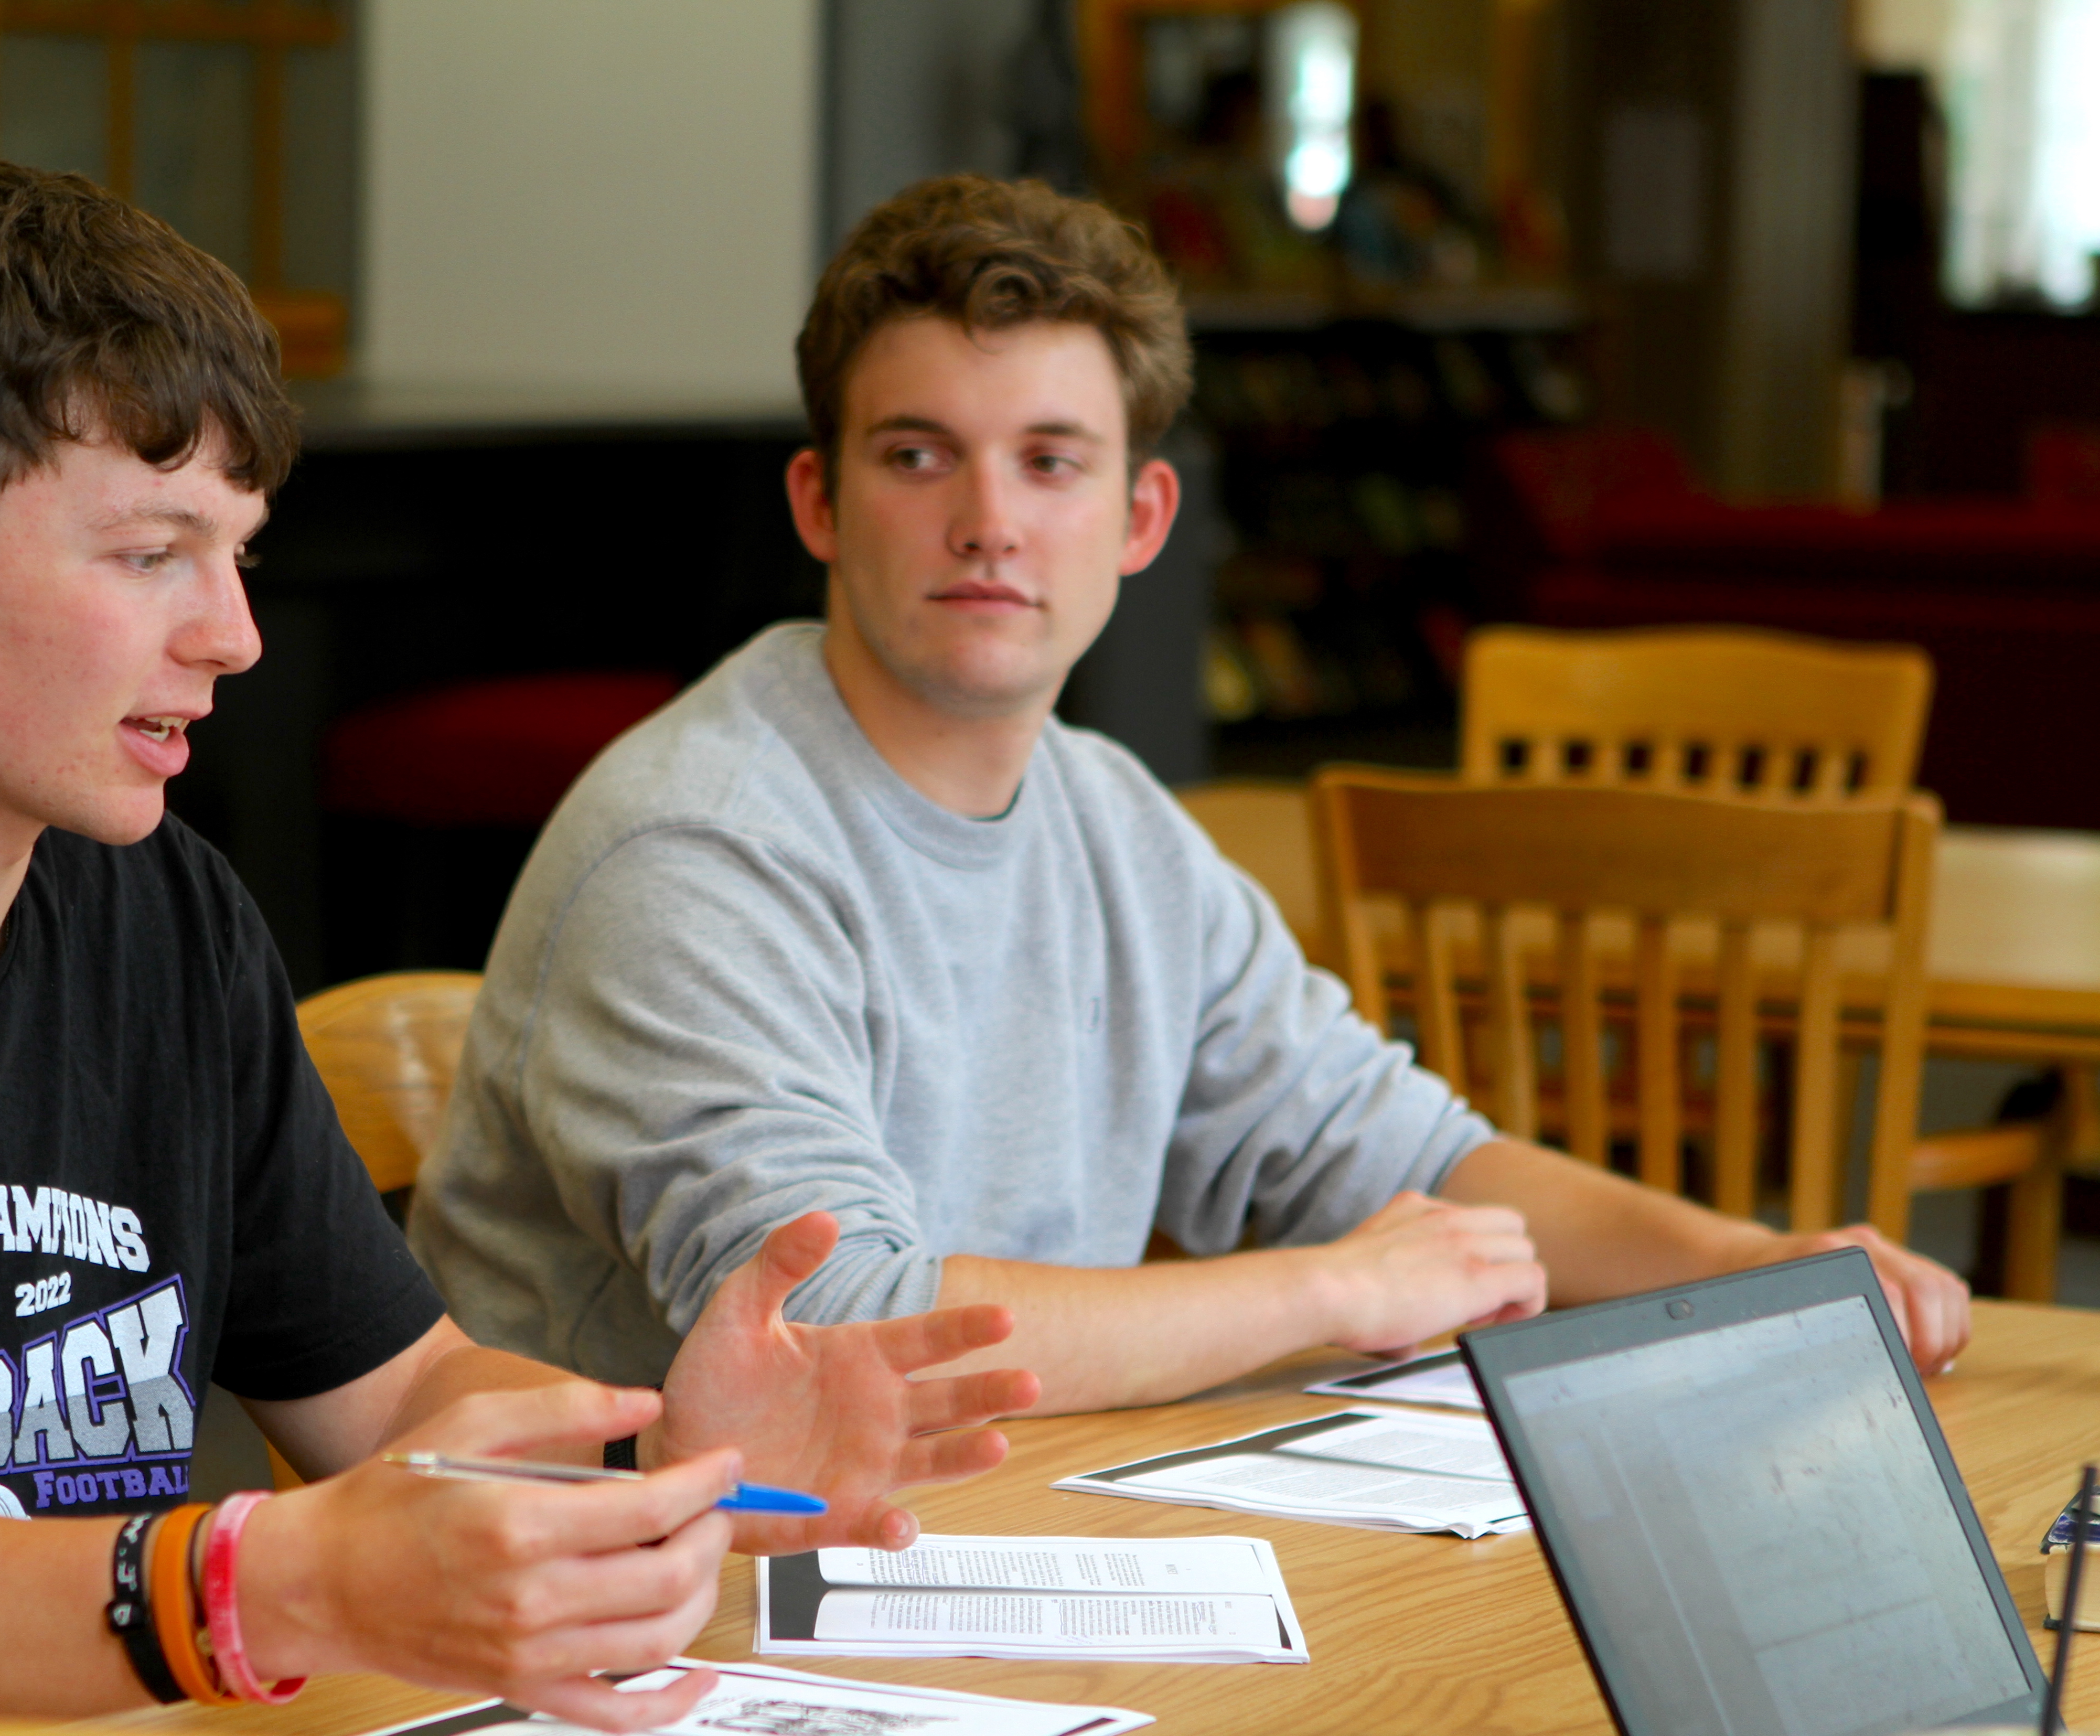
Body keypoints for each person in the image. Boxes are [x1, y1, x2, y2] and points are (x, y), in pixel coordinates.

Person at [0, 157, 1036, 1730]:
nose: (233, 635)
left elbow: (396, 1401)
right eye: (150, 553)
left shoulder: (158, 914)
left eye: (235, 558)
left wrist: (656, 1459)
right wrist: (271, 1582)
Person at [406, 173, 1970, 1416]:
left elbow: (1400, 1158)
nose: (988, 523)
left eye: (1052, 461)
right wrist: (1330, 1292)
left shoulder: (1119, 825)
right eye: (916, 455)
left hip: (974, 1556)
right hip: (641, 1618)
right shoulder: (697, 843)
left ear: (1142, 517)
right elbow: (838, 1334)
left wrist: (1761, 1266)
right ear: (819, 501)